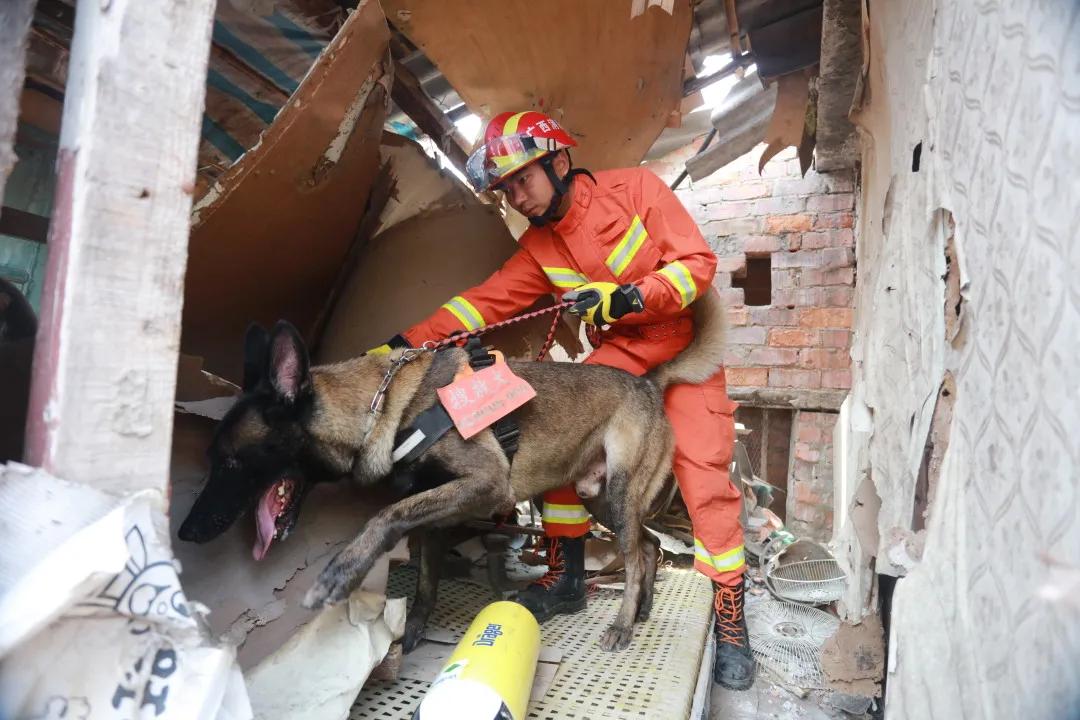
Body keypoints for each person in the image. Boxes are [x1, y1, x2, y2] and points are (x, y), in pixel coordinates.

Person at [370, 111, 753, 689]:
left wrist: (629, 296)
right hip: (620, 357)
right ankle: (566, 576)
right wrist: (400, 346)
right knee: (556, 442)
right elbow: (481, 304)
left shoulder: (637, 191)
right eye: (505, 189)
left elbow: (697, 266)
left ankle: (731, 623)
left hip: (680, 347)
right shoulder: (538, 248)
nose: (515, 196)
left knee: (703, 478)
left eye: (521, 179)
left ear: (559, 162)